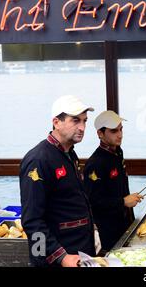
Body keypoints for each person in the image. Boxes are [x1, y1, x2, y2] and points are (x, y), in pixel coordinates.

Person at [19, 95, 96, 267]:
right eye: (75, 121)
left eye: (85, 121)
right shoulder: (38, 160)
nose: (82, 127)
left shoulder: (70, 154)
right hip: (58, 258)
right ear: (56, 122)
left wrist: (93, 229)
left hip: (80, 252)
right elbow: (31, 221)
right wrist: (61, 257)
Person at [84, 110, 143, 253]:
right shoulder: (95, 164)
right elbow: (93, 202)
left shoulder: (118, 151)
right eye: (114, 131)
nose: (120, 134)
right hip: (108, 232)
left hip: (125, 223)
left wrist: (128, 199)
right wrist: (123, 201)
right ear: (100, 133)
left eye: (121, 129)